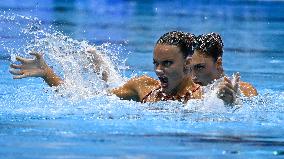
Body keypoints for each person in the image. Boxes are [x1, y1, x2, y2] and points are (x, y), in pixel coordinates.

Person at [10, 31, 202, 103]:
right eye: (156, 63)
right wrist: (47, 73)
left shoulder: (201, 98)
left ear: (187, 64)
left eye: (167, 63)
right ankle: (103, 69)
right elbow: (82, 99)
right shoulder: (144, 87)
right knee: (109, 84)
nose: (159, 70)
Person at [189, 32, 258, 104]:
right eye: (189, 68)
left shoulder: (246, 91)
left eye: (199, 67)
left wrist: (234, 104)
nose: (193, 77)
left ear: (218, 63)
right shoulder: (189, 95)